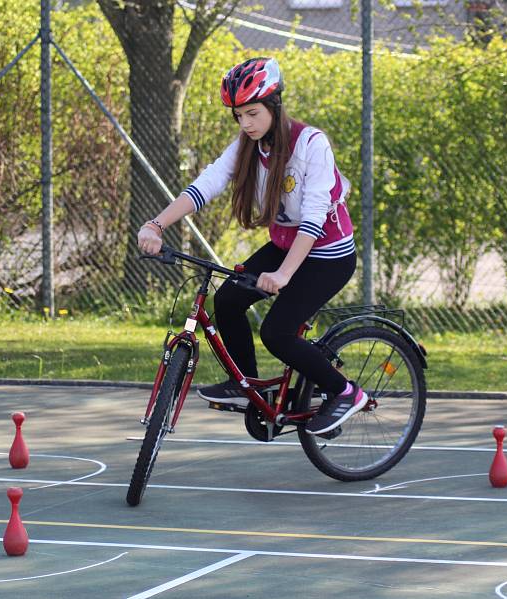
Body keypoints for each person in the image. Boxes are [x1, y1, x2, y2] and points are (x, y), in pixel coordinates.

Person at [136, 57, 366, 435]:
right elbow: (203, 187)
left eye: (253, 113)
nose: (246, 123)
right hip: (286, 244)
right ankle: (246, 387)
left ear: (274, 106)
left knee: (278, 332)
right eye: (239, 115)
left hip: (327, 254)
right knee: (227, 300)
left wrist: (284, 274)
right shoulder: (247, 146)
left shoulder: (311, 144)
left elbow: (313, 216)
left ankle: (344, 392)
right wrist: (156, 224)